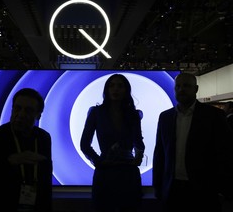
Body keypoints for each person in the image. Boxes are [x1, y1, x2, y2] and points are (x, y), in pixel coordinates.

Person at [153, 73, 233, 212]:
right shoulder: (165, 117)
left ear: (196, 89)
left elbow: (225, 152)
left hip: (204, 189)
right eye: (178, 86)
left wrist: (223, 187)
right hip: (172, 189)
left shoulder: (214, 115)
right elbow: (159, 153)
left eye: (186, 86)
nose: (181, 89)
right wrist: (158, 186)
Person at [80, 74, 145, 212]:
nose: (115, 89)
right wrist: (99, 162)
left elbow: (138, 142)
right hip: (105, 172)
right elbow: (84, 144)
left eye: (120, 86)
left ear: (126, 90)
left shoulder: (133, 114)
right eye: (112, 85)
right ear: (106, 89)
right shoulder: (96, 112)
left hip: (128, 172)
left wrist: (138, 157)